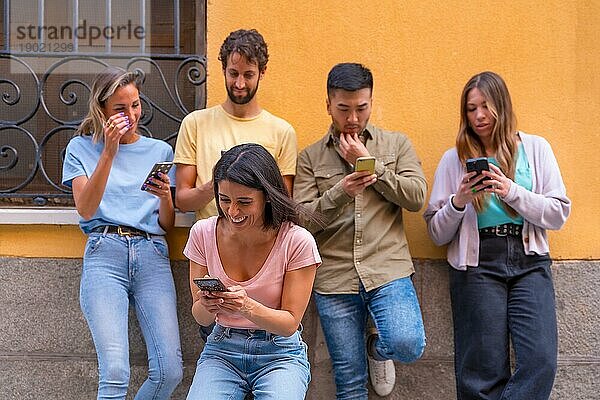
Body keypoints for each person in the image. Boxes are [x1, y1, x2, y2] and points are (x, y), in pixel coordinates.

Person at [424, 71, 571, 400]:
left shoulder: (536, 149)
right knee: (482, 371)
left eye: (485, 107)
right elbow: (436, 232)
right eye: (471, 109)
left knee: (541, 360)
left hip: (528, 260)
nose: (478, 116)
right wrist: (458, 202)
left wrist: (510, 191)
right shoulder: (454, 159)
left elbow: (558, 212)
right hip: (477, 265)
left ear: (501, 106)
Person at [294, 63, 427, 399]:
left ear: (371, 102)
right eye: (343, 109)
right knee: (350, 382)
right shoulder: (309, 157)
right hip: (334, 277)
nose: (352, 118)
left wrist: (372, 165)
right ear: (328, 105)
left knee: (406, 343)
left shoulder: (396, 144)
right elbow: (303, 220)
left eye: (361, 108)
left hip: (387, 270)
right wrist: (342, 191)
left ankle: (377, 349)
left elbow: (416, 197)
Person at [62, 67, 183, 399]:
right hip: (105, 253)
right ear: (101, 110)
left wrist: (165, 198)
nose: (131, 115)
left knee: (169, 372)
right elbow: (86, 209)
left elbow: (166, 225)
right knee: (115, 372)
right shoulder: (80, 148)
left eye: (135, 105)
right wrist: (109, 153)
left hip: (152, 254)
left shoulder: (160, 152)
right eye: (120, 108)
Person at [174, 28, 298, 340]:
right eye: (232, 73)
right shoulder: (196, 124)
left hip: (265, 264)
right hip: (215, 257)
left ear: (262, 73)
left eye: (248, 74)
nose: (239, 83)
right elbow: (182, 200)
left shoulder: (281, 132)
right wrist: (215, 184)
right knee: (218, 357)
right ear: (222, 69)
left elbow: (283, 205)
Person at [184, 143, 321, 400]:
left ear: (267, 195)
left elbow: (290, 324)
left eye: (244, 202)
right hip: (222, 349)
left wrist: (246, 306)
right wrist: (208, 304)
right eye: (224, 200)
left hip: (280, 353)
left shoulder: (296, 241)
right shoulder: (202, 233)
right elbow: (200, 318)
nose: (232, 211)